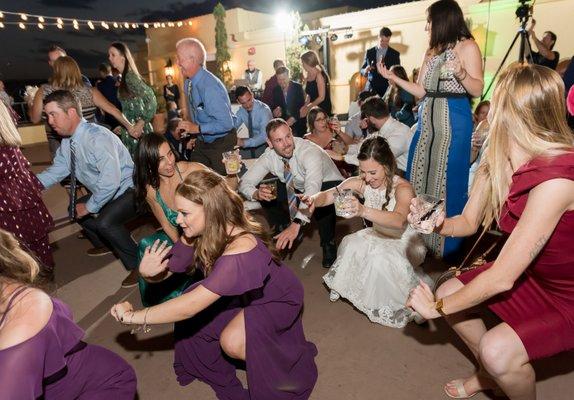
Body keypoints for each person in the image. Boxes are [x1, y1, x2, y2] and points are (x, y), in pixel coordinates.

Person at [407, 63, 574, 400]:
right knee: (451, 291)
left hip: (568, 293)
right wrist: (437, 222)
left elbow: (501, 278)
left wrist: (436, 309)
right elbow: (467, 223)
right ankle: (487, 376)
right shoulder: (497, 156)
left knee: (496, 348)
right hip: (533, 273)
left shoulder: (558, 179)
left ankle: (495, 370)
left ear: (507, 111)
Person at [111, 169, 318, 399]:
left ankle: (281, 360)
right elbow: (174, 269)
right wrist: (148, 274)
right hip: (244, 292)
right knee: (197, 328)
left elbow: (189, 306)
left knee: (231, 342)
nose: (178, 220)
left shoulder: (241, 250)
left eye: (184, 213)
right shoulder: (198, 230)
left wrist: (132, 317)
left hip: (275, 299)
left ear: (210, 211)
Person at [378, 0, 484, 259]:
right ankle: (421, 239)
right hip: (428, 121)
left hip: (454, 121)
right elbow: (421, 90)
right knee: (420, 174)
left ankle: (449, 245)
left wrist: (461, 73)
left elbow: (478, 89)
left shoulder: (468, 46)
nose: (427, 27)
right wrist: (394, 78)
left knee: (447, 180)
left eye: (430, 21)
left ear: (443, 20)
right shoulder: (431, 51)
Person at [302, 137, 430, 326]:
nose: (367, 177)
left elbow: (399, 221)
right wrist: (312, 199)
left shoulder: (403, 188)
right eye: (363, 171)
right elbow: (329, 195)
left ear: (386, 166)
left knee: (378, 260)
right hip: (377, 234)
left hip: (403, 240)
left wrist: (363, 210)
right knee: (351, 243)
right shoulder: (360, 182)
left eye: (372, 172)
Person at [0, 228, 137, 399]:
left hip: (100, 384)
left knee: (104, 222)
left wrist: (134, 316)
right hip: (79, 381)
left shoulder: (23, 321)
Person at [37, 90, 140, 288]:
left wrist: (91, 206)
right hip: (109, 193)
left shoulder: (98, 137)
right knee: (74, 209)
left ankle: (140, 265)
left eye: (53, 114)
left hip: (131, 190)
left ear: (72, 113)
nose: (49, 121)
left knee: (104, 222)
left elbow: (111, 181)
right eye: (47, 115)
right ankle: (106, 244)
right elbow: (56, 171)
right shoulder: (68, 142)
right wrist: (28, 184)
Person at [239, 118, 343, 267]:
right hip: (296, 184)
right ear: (269, 143)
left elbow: (312, 191)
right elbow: (244, 182)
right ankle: (281, 224)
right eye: (279, 140)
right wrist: (256, 194)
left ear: (291, 133)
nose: (287, 143)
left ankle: (328, 243)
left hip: (329, 184)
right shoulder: (269, 156)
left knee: (321, 202)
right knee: (266, 188)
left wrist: (297, 224)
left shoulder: (309, 152)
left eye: (288, 136)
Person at [133, 134, 207, 306]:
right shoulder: (151, 189)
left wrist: (233, 173)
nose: (169, 162)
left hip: (208, 231)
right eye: (160, 160)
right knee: (146, 245)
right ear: (149, 164)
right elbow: (166, 224)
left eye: (170, 154)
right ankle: (162, 299)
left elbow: (226, 192)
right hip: (183, 236)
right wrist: (183, 250)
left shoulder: (190, 170)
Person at [29, 56, 137, 158]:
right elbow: (112, 109)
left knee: (62, 173)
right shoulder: (90, 91)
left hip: (58, 146)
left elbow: (35, 119)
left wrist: (30, 104)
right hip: (87, 145)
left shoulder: (44, 91)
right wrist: (130, 127)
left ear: (56, 71)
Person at [0, 102, 54, 275]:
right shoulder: (4, 115)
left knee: (12, 249)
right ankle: (43, 276)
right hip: (21, 189)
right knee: (35, 240)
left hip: (6, 199)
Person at [175, 38, 236, 175]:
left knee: (224, 186)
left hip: (222, 142)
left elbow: (226, 123)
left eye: (180, 59)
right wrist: (192, 134)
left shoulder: (209, 87)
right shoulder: (188, 83)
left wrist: (196, 129)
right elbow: (199, 114)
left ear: (192, 59)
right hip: (203, 141)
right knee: (194, 177)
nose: (177, 63)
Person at [340, 97, 413, 176]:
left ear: (371, 119)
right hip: (392, 173)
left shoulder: (399, 134)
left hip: (404, 177)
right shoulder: (383, 130)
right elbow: (362, 147)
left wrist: (342, 158)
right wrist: (345, 149)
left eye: (367, 118)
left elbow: (375, 159)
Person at [108, 42, 157, 157]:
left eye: (113, 54)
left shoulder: (130, 77)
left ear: (123, 57)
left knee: (141, 169)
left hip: (138, 133)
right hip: (132, 131)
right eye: (109, 55)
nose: (110, 58)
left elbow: (151, 99)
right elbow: (134, 106)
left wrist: (140, 123)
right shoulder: (125, 77)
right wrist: (124, 126)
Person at [304, 107, 354, 177]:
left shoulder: (333, 132)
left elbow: (352, 144)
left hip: (340, 175)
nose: (323, 122)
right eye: (318, 120)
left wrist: (340, 132)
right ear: (312, 122)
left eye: (324, 118)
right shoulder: (307, 140)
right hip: (319, 176)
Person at [360, 27, 401, 97]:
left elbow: (397, 72)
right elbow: (362, 70)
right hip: (371, 88)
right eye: (382, 40)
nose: (384, 43)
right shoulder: (369, 52)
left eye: (387, 41)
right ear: (378, 37)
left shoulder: (395, 54)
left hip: (387, 88)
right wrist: (365, 70)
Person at [234, 86, 272, 159]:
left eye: (249, 100)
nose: (248, 105)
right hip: (250, 144)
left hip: (266, 144)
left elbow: (264, 136)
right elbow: (234, 125)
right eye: (243, 103)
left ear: (252, 95)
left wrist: (243, 143)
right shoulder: (241, 111)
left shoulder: (264, 110)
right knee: (234, 157)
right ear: (238, 102)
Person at [271, 66, 307, 137]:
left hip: (298, 123)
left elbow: (301, 107)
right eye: (279, 79)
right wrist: (275, 112)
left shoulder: (297, 87)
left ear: (289, 77)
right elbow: (275, 106)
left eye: (284, 79)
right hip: (283, 125)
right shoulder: (276, 90)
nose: (281, 82)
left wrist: (291, 120)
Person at [300, 50, 332, 117]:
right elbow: (309, 95)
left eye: (302, 63)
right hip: (313, 108)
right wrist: (305, 106)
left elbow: (321, 97)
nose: (302, 65)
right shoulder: (308, 75)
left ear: (307, 63)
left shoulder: (319, 75)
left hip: (322, 108)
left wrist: (308, 107)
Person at [96, 62, 123, 130]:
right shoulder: (119, 83)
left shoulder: (100, 85)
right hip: (122, 114)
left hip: (109, 116)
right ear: (110, 70)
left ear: (101, 72)